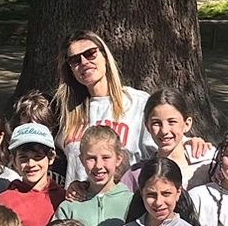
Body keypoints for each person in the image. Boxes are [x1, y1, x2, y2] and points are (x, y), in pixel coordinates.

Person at [54, 30, 153, 181]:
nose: (84, 62)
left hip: (125, 194)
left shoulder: (138, 103)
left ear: (105, 56)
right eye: (75, 60)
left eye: (90, 54)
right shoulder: (67, 112)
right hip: (78, 196)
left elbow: (165, 149)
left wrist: (191, 145)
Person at [56, 123, 136, 226]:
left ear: (118, 159)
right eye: (91, 158)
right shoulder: (70, 206)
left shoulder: (132, 202)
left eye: (106, 158)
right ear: (81, 160)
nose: (98, 165)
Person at [0, 123, 64, 226]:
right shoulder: (4, 201)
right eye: (23, 158)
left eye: (38, 157)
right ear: (14, 160)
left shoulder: (63, 197)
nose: (31, 164)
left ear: (51, 157)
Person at [131, 89, 215, 187]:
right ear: (147, 127)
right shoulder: (139, 173)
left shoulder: (208, 164)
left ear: (187, 124)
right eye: (156, 123)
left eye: (172, 122)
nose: (164, 130)